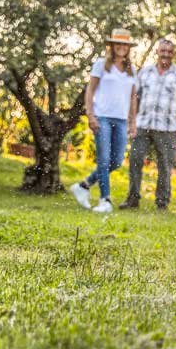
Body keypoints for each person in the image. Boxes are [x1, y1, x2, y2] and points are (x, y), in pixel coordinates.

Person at [119, 37, 176, 211]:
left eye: (169, 52)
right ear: (157, 52)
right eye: (163, 51)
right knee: (135, 160)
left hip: (168, 128)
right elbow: (135, 98)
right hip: (143, 124)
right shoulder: (145, 73)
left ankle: (162, 202)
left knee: (165, 166)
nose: (166, 55)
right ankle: (133, 199)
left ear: (174, 54)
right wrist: (132, 121)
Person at [70, 28, 137, 213]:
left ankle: (84, 185)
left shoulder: (132, 69)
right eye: (118, 43)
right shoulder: (101, 65)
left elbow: (132, 97)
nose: (121, 47)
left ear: (128, 47)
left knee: (116, 161)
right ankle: (104, 200)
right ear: (112, 45)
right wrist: (90, 115)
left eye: (125, 44)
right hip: (103, 117)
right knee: (104, 159)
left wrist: (133, 122)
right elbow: (90, 90)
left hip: (122, 119)